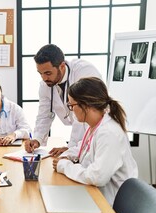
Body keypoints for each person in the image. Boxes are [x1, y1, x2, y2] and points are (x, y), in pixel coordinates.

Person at [52, 77, 138, 205]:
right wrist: (66, 156)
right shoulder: (95, 124)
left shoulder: (108, 132)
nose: (71, 110)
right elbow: (82, 147)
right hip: (97, 194)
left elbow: (96, 177)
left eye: (72, 105)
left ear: (86, 105)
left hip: (114, 204)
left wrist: (65, 167)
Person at [25, 44, 102, 157]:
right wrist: (37, 139)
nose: (44, 78)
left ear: (62, 66)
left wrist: (70, 148)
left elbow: (84, 114)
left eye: (48, 73)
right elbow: (44, 115)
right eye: (40, 73)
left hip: (97, 131)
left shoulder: (83, 72)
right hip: (83, 139)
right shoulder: (45, 84)